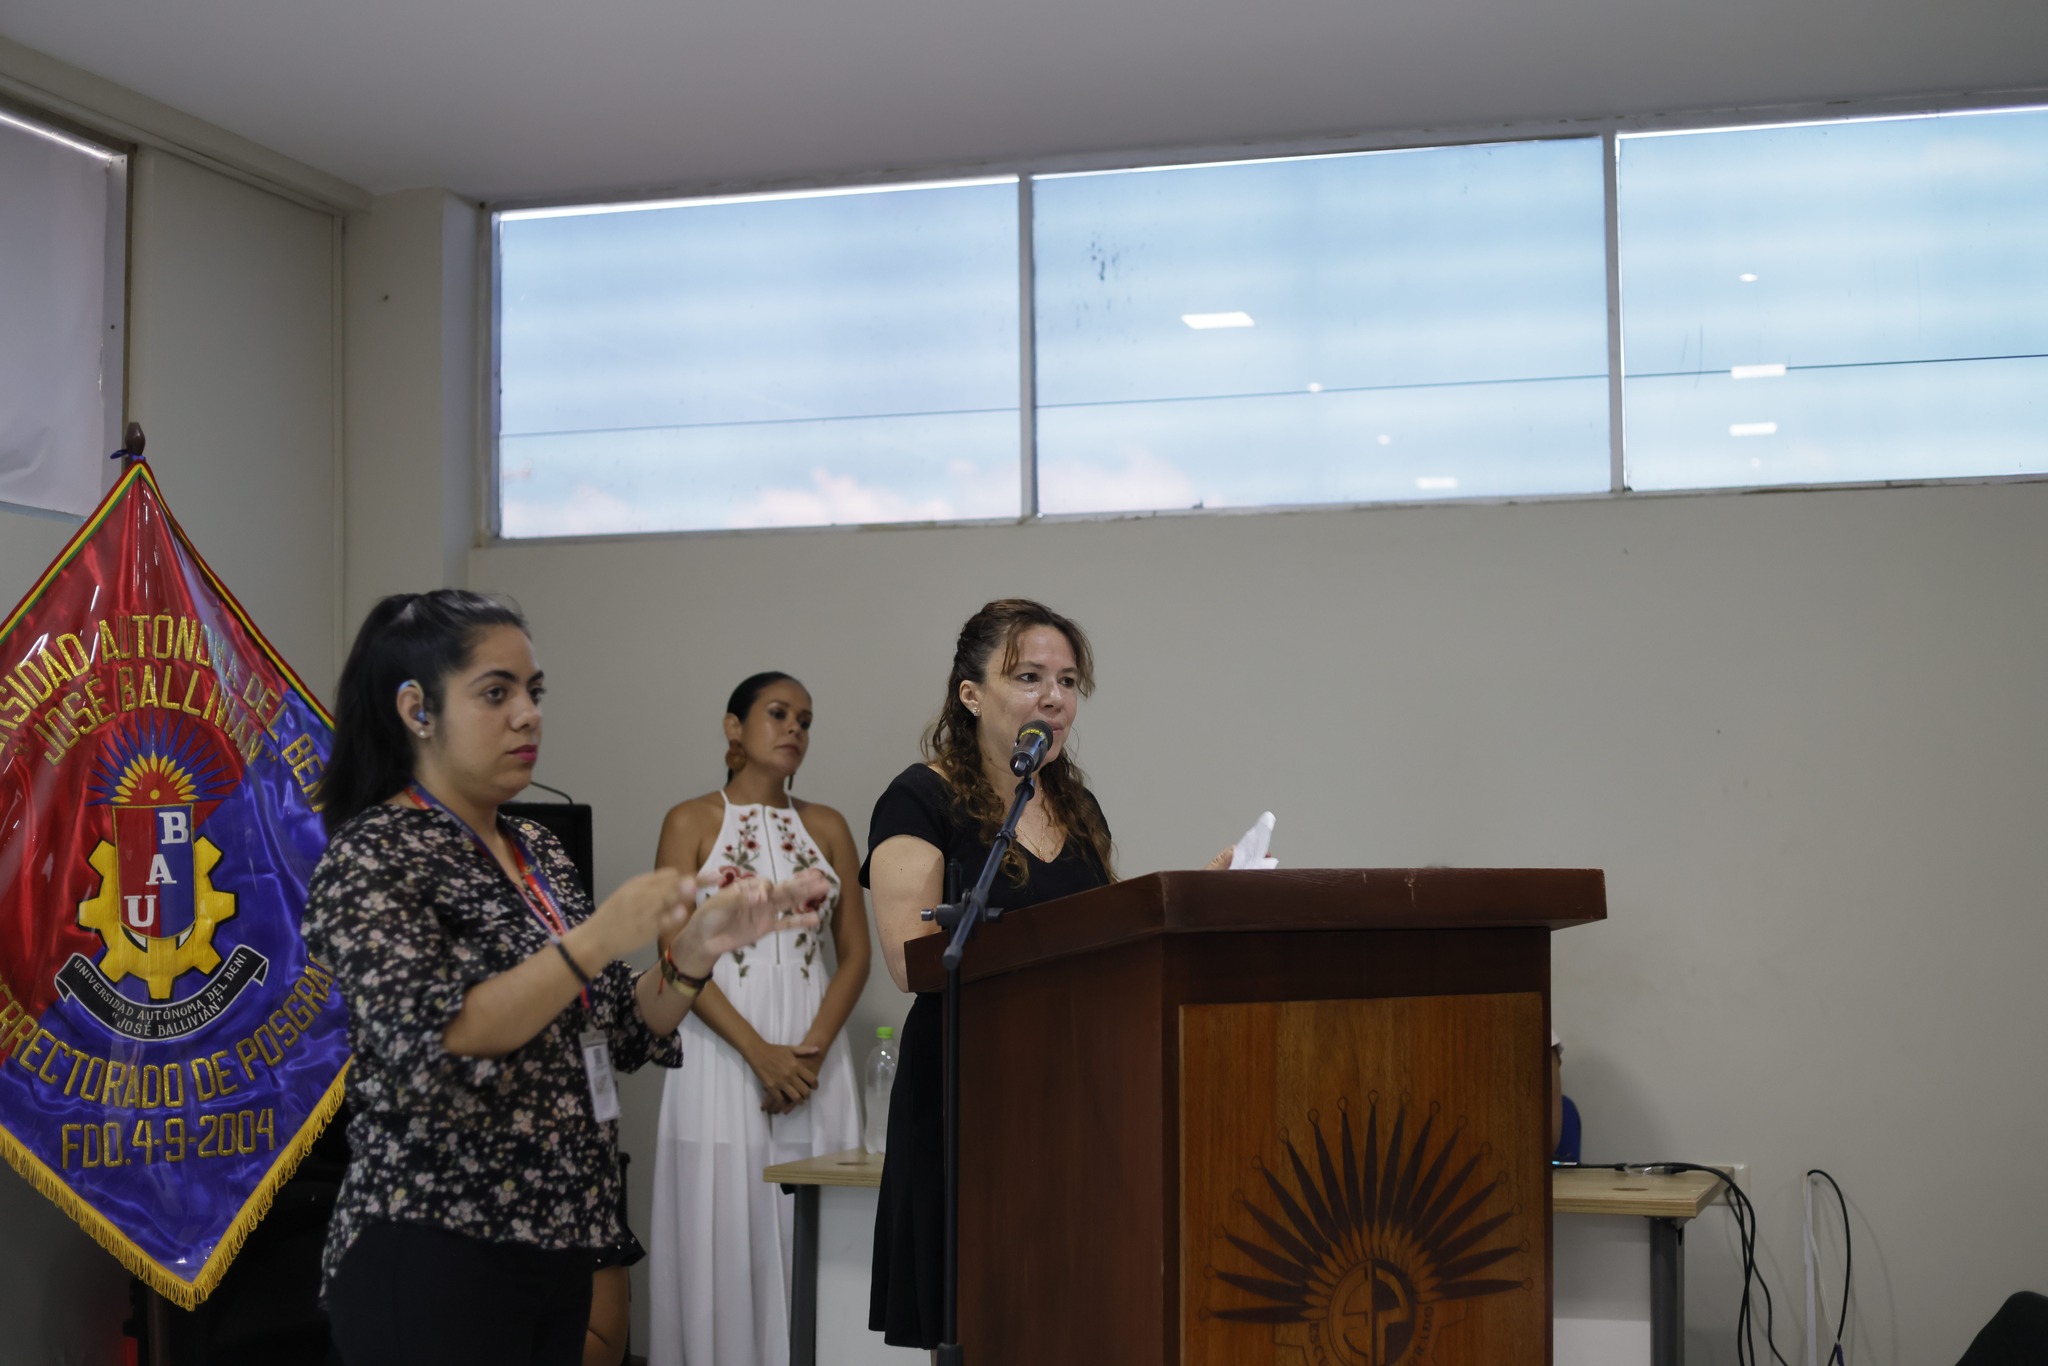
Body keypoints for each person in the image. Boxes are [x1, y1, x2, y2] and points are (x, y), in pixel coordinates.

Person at [305, 590, 827, 1366]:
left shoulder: (536, 852)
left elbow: (619, 1024)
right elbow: (439, 1038)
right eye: (496, 693)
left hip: (558, 1243)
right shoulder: (375, 853)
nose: (528, 715)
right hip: (435, 1241)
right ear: (417, 709)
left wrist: (695, 951)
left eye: (534, 692)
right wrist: (596, 937)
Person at [863, 597, 1231, 1349]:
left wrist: (1186, 903)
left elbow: (1100, 943)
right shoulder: (918, 798)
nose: (1054, 698)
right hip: (970, 1091)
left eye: (1067, 681)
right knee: (986, 1315)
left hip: (1073, 1092)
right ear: (971, 695)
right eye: (1029, 676)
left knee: (1071, 1314)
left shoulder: (1074, 802)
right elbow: (911, 958)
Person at [646, 672, 870, 1366]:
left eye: (805, 718)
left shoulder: (829, 825)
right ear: (732, 727)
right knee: (726, 1227)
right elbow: (672, 952)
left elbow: (857, 955)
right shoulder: (689, 820)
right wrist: (758, 1054)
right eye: (778, 713)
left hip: (813, 1059)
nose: (795, 728)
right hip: (719, 1052)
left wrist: (806, 1054)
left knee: (821, 1233)